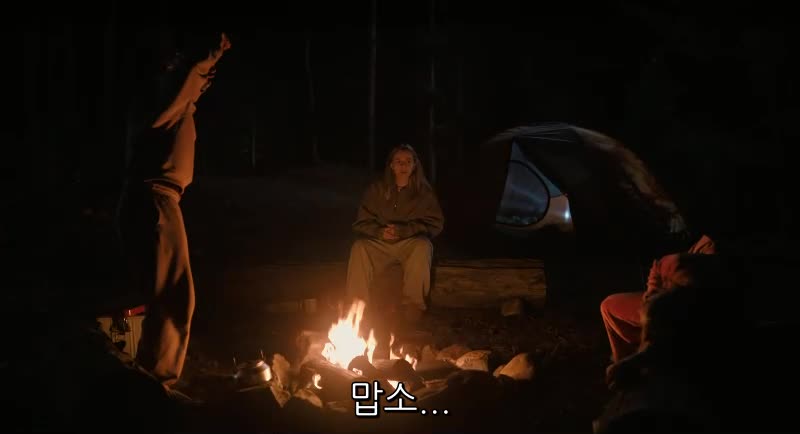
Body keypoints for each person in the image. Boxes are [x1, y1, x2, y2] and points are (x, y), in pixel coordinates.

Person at [116, 31, 231, 388]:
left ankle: (152, 380)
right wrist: (203, 63)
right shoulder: (153, 99)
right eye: (172, 63)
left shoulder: (170, 102)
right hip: (154, 200)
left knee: (169, 296)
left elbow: (187, 93)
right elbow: (180, 92)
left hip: (158, 200)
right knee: (174, 297)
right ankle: (157, 383)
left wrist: (203, 72)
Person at [345, 144, 445, 322]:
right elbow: (361, 222)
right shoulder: (376, 190)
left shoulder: (424, 194)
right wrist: (379, 232)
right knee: (359, 247)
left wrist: (406, 231)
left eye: (408, 161)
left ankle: (413, 305)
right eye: (398, 161)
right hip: (381, 244)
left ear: (414, 165)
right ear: (391, 165)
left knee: (423, 246)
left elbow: (435, 224)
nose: (403, 165)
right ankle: (357, 305)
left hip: (409, 243)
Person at [599, 234, 716, 363]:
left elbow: (670, 271)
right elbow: (661, 268)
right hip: (666, 299)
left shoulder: (712, 249)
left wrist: (653, 300)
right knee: (611, 305)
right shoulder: (706, 241)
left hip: (673, 308)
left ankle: (628, 360)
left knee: (608, 306)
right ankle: (634, 354)